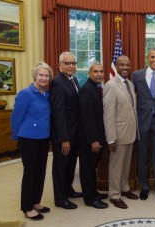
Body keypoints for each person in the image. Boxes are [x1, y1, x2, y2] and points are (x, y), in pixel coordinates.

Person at [11, 61, 53, 220]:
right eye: (41, 75)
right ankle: (27, 207)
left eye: (46, 75)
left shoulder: (46, 94)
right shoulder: (26, 93)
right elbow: (16, 117)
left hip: (43, 138)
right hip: (28, 138)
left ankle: (36, 201)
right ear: (35, 75)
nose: (43, 78)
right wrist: (16, 136)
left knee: (40, 172)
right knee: (30, 173)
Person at [131, 48, 155, 201]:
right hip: (142, 120)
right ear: (147, 57)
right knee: (142, 156)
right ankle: (144, 187)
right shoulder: (137, 75)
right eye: (152, 57)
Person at [103, 55, 139, 209]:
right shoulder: (111, 85)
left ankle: (124, 188)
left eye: (127, 65)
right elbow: (108, 114)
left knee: (126, 166)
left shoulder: (130, 84)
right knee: (116, 167)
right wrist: (110, 138)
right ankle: (115, 195)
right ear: (116, 66)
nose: (125, 67)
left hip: (130, 133)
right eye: (122, 64)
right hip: (117, 134)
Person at [50, 51, 82, 209]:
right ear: (60, 65)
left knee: (70, 165)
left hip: (75, 133)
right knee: (61, 167)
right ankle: (60, 198)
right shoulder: (57, 83)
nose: (71, 66)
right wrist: (64, 139)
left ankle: (68, 190)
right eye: (67, 63)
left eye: (73, 63)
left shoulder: (74, 79)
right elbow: (59, 113)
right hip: (64, 136)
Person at [78, 62, 108, 209]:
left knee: (92, 168)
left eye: (101, 72)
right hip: (90, 139)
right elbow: (87, 118)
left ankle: (93, 192)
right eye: (96, 71)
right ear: (90, 73)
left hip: (98, 136)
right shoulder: (87, 90)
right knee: (87, 169)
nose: (99, 74)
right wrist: (94, 140)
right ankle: (90, 198)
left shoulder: (97, 88)